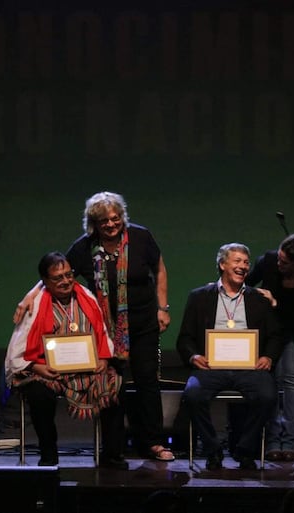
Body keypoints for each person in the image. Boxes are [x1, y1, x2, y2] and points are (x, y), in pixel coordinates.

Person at [13, 191, 174, 462]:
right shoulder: (84, 247)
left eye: (115, 218)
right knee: (114, 386)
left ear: (122, 217)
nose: (111, 225)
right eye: (103, 221)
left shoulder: (141, 236)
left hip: (144, 321)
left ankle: (153, 442)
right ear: (93, 224)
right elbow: (56, 272)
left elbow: (159, 269)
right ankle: (116, 448)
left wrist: (162, 307)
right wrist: (30, 295)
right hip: (104, 329)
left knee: (147, 382)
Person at [5, 252, 126, 468]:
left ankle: (111, 454)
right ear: (45, 282)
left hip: (87, 370)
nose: (66, 281)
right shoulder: (35, 304)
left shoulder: (86, 296)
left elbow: (102, 334)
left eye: (69, 275)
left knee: (114, 385)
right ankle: (49, 454)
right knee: (39, 394)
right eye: (58, 278)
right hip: (48, 370)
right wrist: (37, 367)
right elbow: (19, 347)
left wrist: (104, 360)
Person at [176, 242, 284, 470]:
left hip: (250, 368)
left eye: (246, 262)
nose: (243, 266)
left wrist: (268, 357)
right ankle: (213, 450)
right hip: (211, 368)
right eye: (237, 261)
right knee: (193, 394)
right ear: (222, 264)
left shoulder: (259, 298)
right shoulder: (199, 297)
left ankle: (244, 450)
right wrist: (194, 356)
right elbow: (184, 338)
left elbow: (275, 336)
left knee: (267, 395)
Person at [245, 231, 294, 462]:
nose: (279, 263)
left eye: (285, 261)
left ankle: (290, 440)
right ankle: (271, 440)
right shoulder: (268, 261)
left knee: (291, 380)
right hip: (268, 331)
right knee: (268, 381)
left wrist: (275, 302)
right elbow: (246, 286)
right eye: (279, 258)